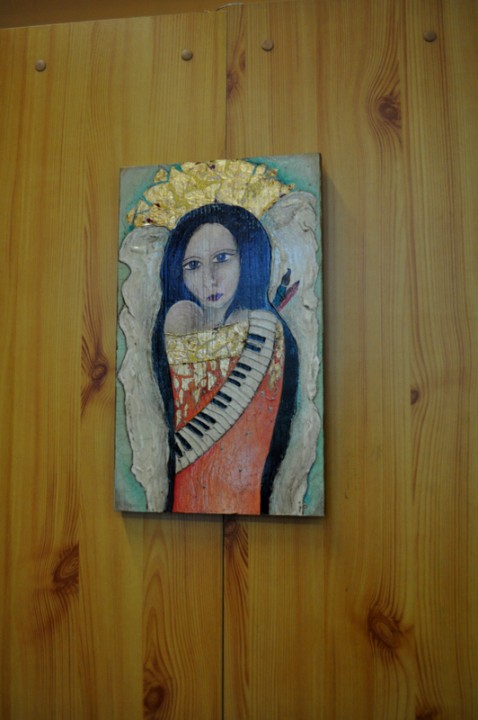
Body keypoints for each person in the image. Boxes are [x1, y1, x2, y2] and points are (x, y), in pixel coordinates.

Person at [151, 202, 299, 514]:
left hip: (244, 489)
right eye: (193, 265)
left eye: (222, 258)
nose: (210, 279)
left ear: (248, 258)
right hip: (186, 489)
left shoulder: (264, 328)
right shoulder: (180, 319)